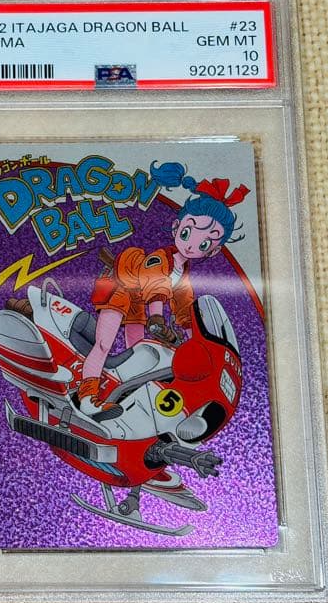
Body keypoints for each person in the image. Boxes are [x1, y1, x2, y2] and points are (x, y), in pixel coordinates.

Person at [77, 161, 248, 415]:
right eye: (188, 233)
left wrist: (198, 343)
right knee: (103, 344)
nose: (191, 246)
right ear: (177, 227)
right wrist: (156, 318)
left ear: (214, 250)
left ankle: (123, 397)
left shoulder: (183, 273)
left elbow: (185, 307)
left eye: (204, 244)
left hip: (139, 302)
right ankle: (87, 397)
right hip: (120, 289)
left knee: (138, 353)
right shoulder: (160, 258)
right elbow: (155, 285)